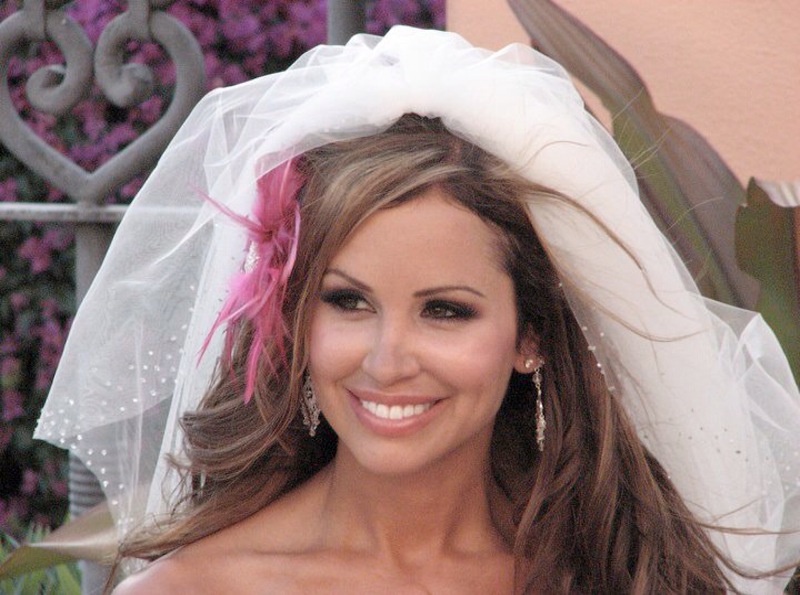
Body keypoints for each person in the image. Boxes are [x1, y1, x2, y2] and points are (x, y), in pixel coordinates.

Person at [35, 27, 800, 593]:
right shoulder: (194, 589)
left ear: (530, 334)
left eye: (444, 311)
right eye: (348, 301)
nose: (387, 358)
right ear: (297, 317)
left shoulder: (627, 575)